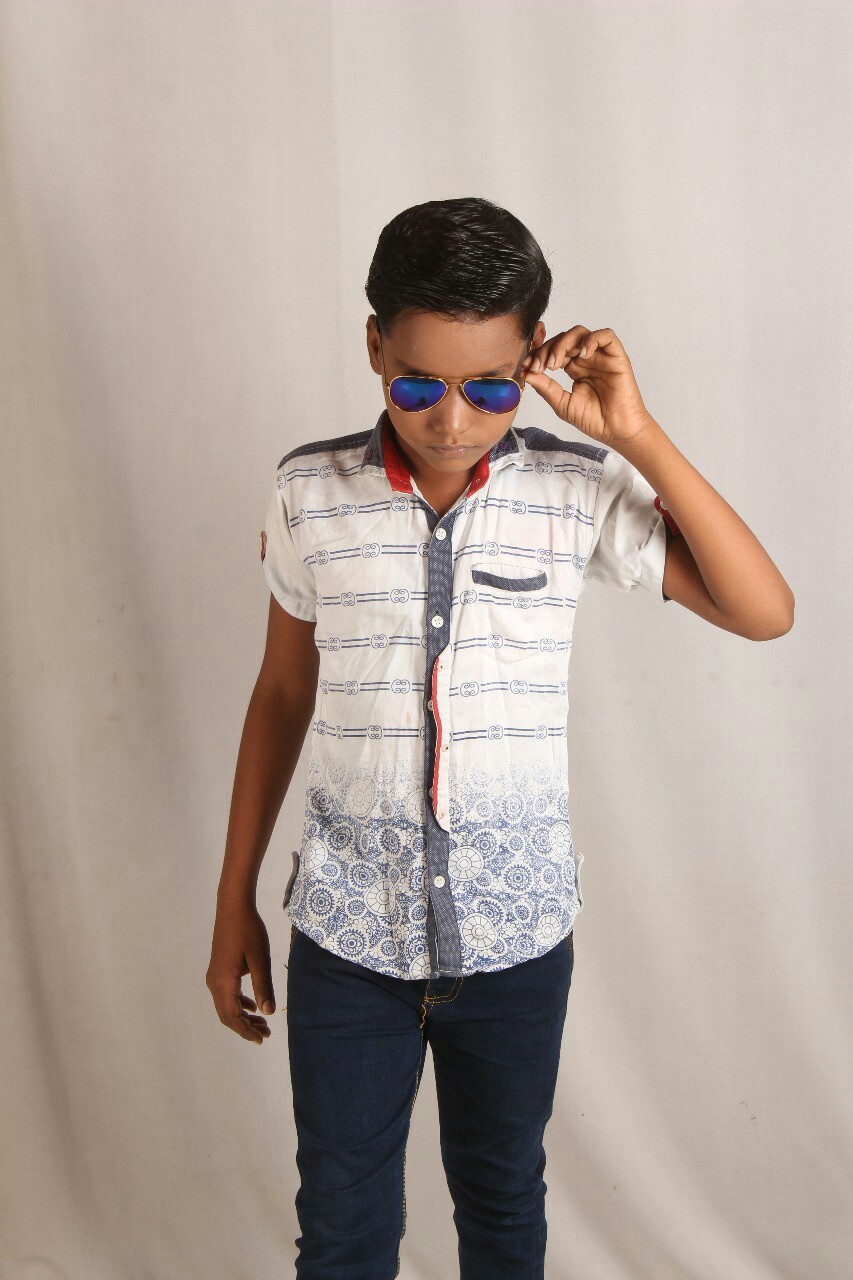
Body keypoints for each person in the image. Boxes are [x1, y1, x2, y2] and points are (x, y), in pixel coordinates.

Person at [206, 196, 795, 1279]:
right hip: (347, 937)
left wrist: (633, 434)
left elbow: (764, 611)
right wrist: (231, 893)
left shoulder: (574, 491)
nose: (449, 420)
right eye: (416, 384)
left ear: (531, 360)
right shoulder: (309, 494)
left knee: (502, 1202)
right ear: (375, 347)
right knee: (340, 1225)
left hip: (515, 941)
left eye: (487, 387)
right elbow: (282, 692)